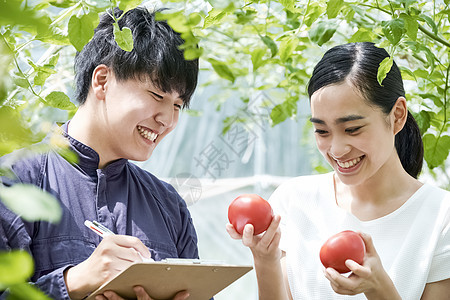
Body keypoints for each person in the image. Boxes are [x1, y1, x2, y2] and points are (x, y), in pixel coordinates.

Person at [0, 6, 199, 300]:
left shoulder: (170, 206)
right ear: (102, 81)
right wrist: (73, 282)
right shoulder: (15, 183)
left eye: (177, 105)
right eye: (157, 95)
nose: (168, 120)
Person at [227, 42, 450, 299]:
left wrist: (379, 288)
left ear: (397, 116)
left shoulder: (441, 218)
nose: (337, 149)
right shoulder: (293, 200)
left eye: (352, 129)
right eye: (322, 131)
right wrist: (265, 260)